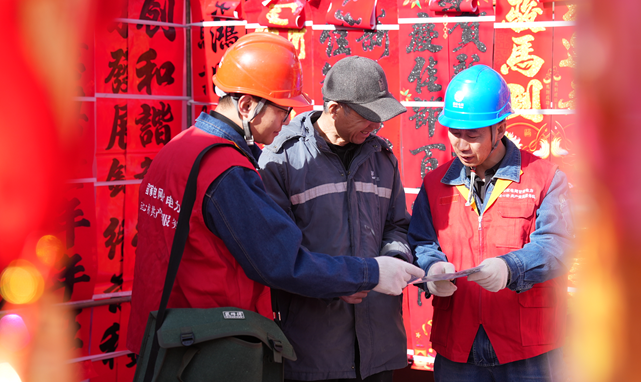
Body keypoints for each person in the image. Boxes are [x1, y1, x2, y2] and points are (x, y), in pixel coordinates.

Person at [127, 33, 423, 354]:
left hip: (167, 332)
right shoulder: (227, 171)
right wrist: (369, 273)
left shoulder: (179, 147)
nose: (286, 122)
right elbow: (282, 261)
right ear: (247, 105)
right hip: (208, 341)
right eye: (283, 111)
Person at [407, 65, 575, 381]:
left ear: (500, 129)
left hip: (527, 348)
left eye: (472, 136)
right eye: (454, 133)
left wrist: (510, 268)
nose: (461, 145)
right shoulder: (435, 184)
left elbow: (557, 245)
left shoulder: (544, 178)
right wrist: (432, 270)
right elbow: (421, 241)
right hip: (458, 345)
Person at [257, 56, 411, 382]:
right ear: (334, 109)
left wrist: (394, 262)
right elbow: (277, 254)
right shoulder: (282, 160)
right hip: (314, 349)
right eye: (368, 116)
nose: (375, 126)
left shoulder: (382, 158)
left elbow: (397, 225)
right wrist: (336, 283)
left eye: (380, 118)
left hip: (379, 344)